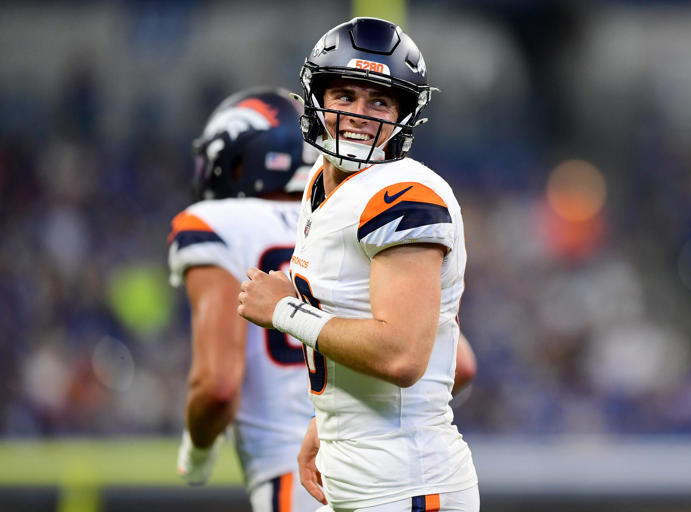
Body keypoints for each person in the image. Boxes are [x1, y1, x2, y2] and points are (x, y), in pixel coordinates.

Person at [237, 18, 480, 512]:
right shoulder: (321, 184)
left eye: (379, 101)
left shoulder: (404, 195)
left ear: (404, 114)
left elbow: (403, 357)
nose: (358, 114)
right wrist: (330, 421)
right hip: (366, 477)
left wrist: (285, 311)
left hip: (405, 483)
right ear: (317, 100)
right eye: (345, 96)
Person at [167, 87, 319, 512]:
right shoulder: (351, 220)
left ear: (236, 161)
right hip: (399, 480)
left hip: (300, 480)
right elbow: (458, 366)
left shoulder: (217, 223)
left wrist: (196, 453)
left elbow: (217, 386)